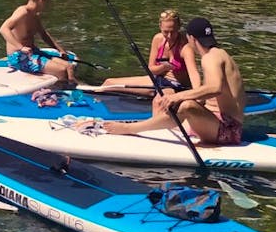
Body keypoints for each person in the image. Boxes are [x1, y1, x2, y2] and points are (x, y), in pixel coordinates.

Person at [102, 17, 245, 145]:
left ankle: (130, 129)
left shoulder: (209, 58)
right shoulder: (221, 54)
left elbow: (215, 88)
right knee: (162, 104)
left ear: (191, 38)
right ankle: (150, 128)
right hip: (216, 123)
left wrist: (178, 96)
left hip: (228, 130)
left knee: (187, 106)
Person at [99, 9, 198, 95]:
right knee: (109, 82)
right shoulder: (158, 39)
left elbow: (194, 74)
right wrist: (164, 67)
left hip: (176, 86)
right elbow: (151, 69)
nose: (169, 36)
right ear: (160, 27)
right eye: (166, 32)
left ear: (179, 27)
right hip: (158, 80)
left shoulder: (185, 47)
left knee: (160, 101)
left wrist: (197, 95)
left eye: (173, 31)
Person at [0, 0, 76, 86]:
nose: (48, 5)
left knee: (69, 66)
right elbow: (3, 29)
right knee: (61, 70)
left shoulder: (35, 15)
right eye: (48, 2)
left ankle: (73, 88)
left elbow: (44, 34)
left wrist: (60, 50)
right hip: (19, 57)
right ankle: (57, 94)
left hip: (33, 52)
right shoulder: (22, 12)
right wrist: (21, 47)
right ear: (41, 0)